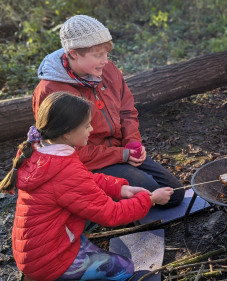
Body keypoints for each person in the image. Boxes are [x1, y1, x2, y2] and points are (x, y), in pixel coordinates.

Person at [0, 92, 174, 281]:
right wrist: (150, 200)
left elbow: (84, 179)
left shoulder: (42, 151)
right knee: (124, 270)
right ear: (67, 131)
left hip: (40, 247)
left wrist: (120, 188)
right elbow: (111, 214)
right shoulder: (63, 169)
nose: (91, 129)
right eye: (86, 125)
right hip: (50, 261)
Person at [32, 15, 184, 208]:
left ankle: (118, 198)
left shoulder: (108, 70)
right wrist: (121, 156)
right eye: (98, 55)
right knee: (151, 193)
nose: (106, 61)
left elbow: (127, 110)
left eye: (106, 54)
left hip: (121, 150)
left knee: (174, 194)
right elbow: (63, 149)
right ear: (74, 53)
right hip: (88, 164)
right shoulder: (50, 91)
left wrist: (132, 143)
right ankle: (97, 204)